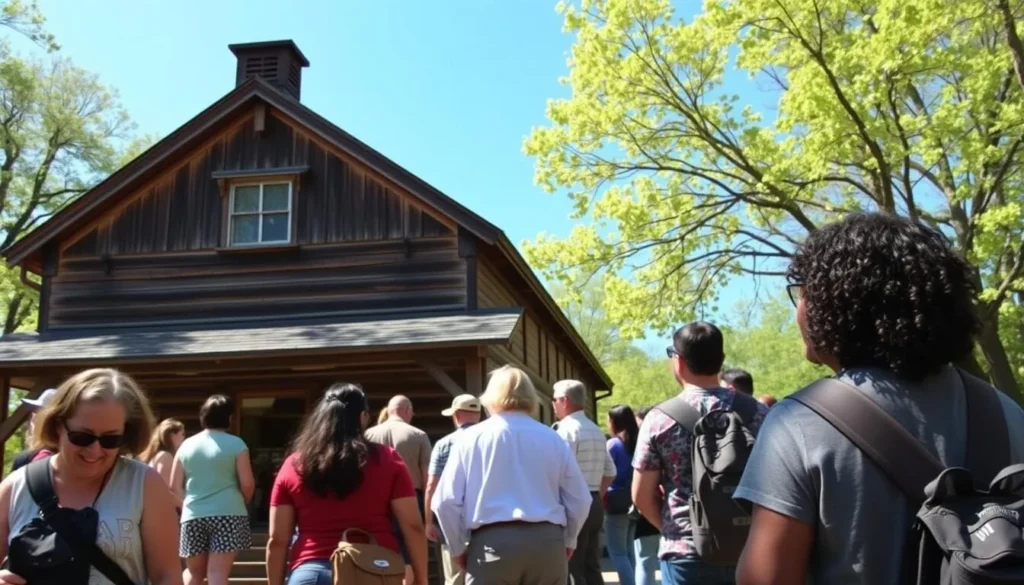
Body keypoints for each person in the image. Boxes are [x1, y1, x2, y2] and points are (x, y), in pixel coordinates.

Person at [734, 213, 1024, 585]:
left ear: (835, 305)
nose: (798, 311)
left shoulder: (797, 424)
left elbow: (765, 579)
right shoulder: (1008, 413)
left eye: (802, 293)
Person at [0, 368, 182, 585]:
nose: (95, 450)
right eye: (82, 437)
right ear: (58, 426)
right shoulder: (14, 488)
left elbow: (167, 577)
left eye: (110, 440)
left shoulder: (144, 485)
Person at [633, 321, 768, 585]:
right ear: (721, 360)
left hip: (685, 552)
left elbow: (640, 495)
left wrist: (673, 529)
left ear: (679, 361)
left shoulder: (659, 419)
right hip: (747, 546)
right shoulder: (758, 413)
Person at [432, 366, 592, 585]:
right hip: (547, 543)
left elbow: (445, 502)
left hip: (492, 545)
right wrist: (569, 539)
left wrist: (457, 547)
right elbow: (581, 499)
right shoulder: (552, 438)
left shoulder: (470, 439)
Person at [266, 383, 428, 585]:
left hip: (311, 573)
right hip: (375, 571)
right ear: (362, 418)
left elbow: (278, 539)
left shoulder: (293, 465)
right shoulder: (388, 460)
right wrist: (421, 579)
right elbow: (412, 526)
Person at [171, 395, 255, 585]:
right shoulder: (236, 444)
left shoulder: (186, 445)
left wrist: (188, 506)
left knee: (193, 574)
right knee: (217, 573)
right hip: (228, 513)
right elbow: (248, 483)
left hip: (193, 516)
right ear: (229, 418)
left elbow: (174, 486)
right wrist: (243, 501)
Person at [553, 379, 615, 585]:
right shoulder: (594, 429)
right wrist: (596, 492)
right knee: (592, 565)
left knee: (572, 567)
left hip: (574, 503)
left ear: (564, 400)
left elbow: (560, 472)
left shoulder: (566, 430)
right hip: (595, 500)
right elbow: (610, 471)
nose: (552, 404)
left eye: (554, 400)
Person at [365, 394, 432, 583]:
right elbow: (427, 476)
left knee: (382, 544)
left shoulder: (368, 435)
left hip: (375, 499)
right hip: (410, 497)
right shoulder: (418, 435)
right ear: (408, 410)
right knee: (408, 549)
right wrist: (429, 516)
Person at [424, 394, 482, 585]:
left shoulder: (443, 444)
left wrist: (429, 521)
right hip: (486, 522)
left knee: (456, 578)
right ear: (478, 415)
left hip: (453, 522)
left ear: (456, 415)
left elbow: (432, 485)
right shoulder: (493, 441)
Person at [604, 405, 640, 585]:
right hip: (632, 499)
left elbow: (606, 472)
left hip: (615, 501)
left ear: (614, 422)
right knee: (628, 550)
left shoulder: (613, 445)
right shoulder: (636, 442)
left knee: (617, 552)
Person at [632, 407, 660, 585]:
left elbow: (640, 494)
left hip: (649, 509)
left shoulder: (644, 443)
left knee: (645, 560)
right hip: (663, 508)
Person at [9, 388, 59, 472]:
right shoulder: (74, 459)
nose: (33, 418)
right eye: (34, 412)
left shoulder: (27, 459)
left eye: (38, 414)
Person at [140, 418, 185, 487]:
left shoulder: (158, 455)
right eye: (182, 434)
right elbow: (165, 486)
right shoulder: (165, 456)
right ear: (172, 436)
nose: (183, 438)